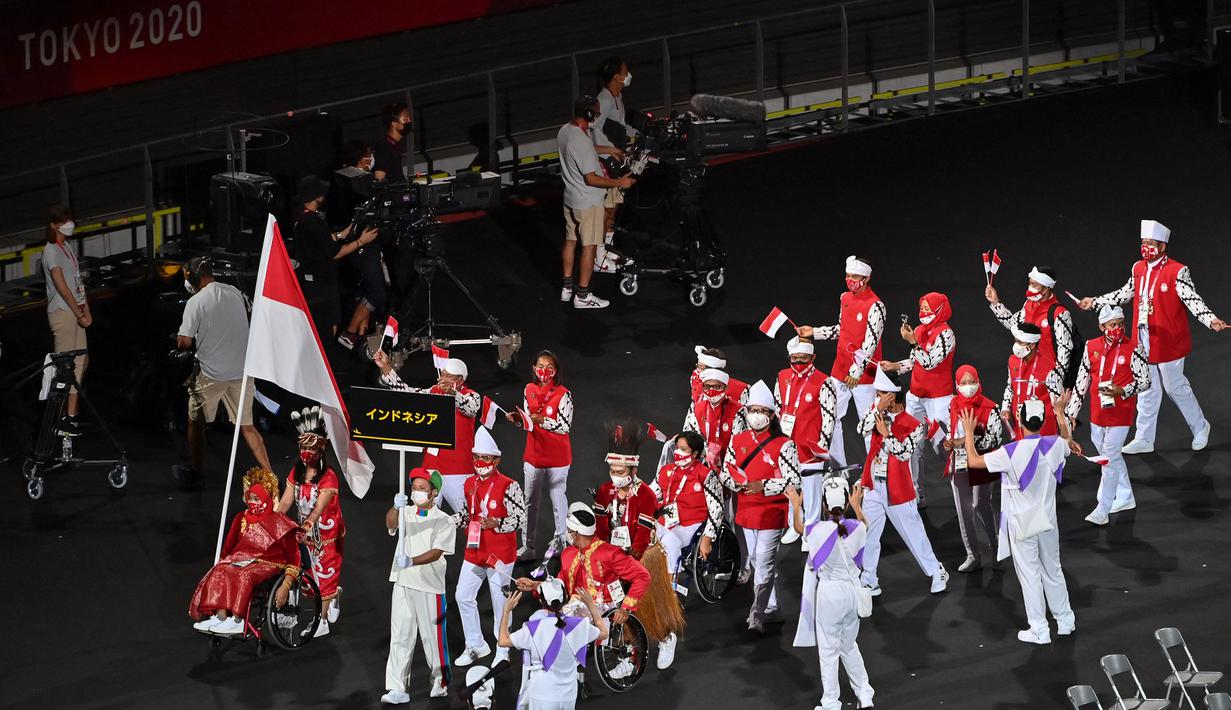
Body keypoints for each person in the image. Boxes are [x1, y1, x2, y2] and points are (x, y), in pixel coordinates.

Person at [1076, 219, 1227, 453]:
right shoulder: (1138, 268)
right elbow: (1125, 293)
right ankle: (1145, 438)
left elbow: (1192, 299)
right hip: (1142, 337)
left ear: (1163, 246)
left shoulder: (1177, 271)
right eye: (1143, 242)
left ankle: (1200, 426)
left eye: (1150, 243)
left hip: (1168, 340)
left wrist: (1210, 319)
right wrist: (1095, 302)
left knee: (1175, 387)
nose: (1146, 247)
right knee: (1147, 389)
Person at [960, 395, 1079, 645]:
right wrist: (1059, 412)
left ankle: (1040, 629)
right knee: (1053, 570)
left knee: (1030, 575)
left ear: (1021, 422)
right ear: (1042, 420)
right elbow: (1068, 440)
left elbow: (973, 461)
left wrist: (969, 433)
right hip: (1048, 520)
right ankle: (1065, 620)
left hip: (1022, 523)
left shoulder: (1010, 452)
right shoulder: (1055, 444)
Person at [515, 503, 653, 681]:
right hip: (575, 604)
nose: (567, 534)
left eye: (569, 530)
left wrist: (626, 607)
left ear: (576, 533)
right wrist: (536, 585)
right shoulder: (568, 553)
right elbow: (561, 583)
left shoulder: (609, 554)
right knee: (545, 623)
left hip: (603, 605)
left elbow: (643, 576)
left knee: (561, 628)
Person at [176, 255, 273, 484]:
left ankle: (197, 471)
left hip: (211, 375)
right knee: (248, 427)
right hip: (242, 372)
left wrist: (179, 338)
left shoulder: (196, 302)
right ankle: (270, 475)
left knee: (196, 422)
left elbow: (185, 342)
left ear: (194, 279)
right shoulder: (234, 292)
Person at [856, 367, 948, 596]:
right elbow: (860, 429)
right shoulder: (876, 412)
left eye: (880, 395)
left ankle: (936, 571)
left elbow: (903, 453)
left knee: (913, 532)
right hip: (872, 485)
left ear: (892, 396)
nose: (876, 398)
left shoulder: (914, 424)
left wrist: (886, 434)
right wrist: (877, 409)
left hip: (897, 488)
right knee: (870, 534)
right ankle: (869, 579)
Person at [720, 381, 801, 632]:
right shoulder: (738, 440)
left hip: (772, 512)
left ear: (771, 415)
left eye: (762, 411)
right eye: (752, 410)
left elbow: (794, 479)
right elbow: (726, 473)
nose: (756, 416)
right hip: (746, 510)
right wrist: (735, 483)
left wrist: (763, 486)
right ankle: (774, 608)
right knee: (757, 560)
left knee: (764, 563)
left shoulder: (784, 445)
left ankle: (756, 615)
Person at [789, 477, 874, 710]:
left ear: (824, 506)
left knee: (828, 650)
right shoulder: (856, 528)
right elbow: (865, 524)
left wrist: (797, 505)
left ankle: (831, 703)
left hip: (829, 594)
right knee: (849, 645)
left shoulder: (818, 530)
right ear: (846, 502)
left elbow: (798, 528)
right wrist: (857, 505)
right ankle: (865, 695)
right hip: (851, 593)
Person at [1063, 305, 1151, 525]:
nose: (1118, 329)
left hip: (1121, 413)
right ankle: (1126, 496)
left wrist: (1123, 391)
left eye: (1120, 324)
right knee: (1108, 455)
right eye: (1112, 325)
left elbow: (1145, 381)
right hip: (1098, 413)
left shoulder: (1134, 347)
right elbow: (1082, 383)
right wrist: (1071, 414)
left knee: (1108, 459)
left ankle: (1102, 508)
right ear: (1102, 326)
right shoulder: (1091, 347)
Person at [189, 467, 300, 635]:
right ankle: (221, 618)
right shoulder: (241, 518)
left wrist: (286, 584)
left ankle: (238, 620)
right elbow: (229, 546)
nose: (253, 503)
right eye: (251, 498)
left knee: (243, 574)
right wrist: (223, 562)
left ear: (267, 499)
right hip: (244, 559)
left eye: (258, 499)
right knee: (220, 569)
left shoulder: (279, 522)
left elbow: (294, 556)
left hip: (270, 564)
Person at [796, 255, 886, 459]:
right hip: (840, 370)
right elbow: (842, 329)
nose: (850, 280)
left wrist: (857, 370)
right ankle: (838, 468)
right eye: (847, 275)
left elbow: (870, 342)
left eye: (855, 276)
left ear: (866, 278)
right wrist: (814, 332)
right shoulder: (844, 298)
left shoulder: (876, 305)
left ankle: (875, 472)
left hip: (864, 376)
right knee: (830, 417)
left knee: (869, 422)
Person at [374, 348, 481, 513]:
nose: (442, 378)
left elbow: (470, 409)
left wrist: (452, 393)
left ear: (460, 380)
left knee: (469, 516)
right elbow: (407, 394)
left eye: (448, 376)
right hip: (431, 468)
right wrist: (387, 367)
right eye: (442, 374)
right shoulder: (434, 391)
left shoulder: (471, 396)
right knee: (424, 516)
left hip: (459, 470)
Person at [382, 468, 456, 705]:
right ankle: (397, 687)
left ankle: (440, 681)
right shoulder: (406, 511)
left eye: (422, 489)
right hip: (403, 581)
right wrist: (396, 507)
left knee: (432, 637)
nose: (417, 492)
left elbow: (437, 552)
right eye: (414, 488)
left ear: (434, 492)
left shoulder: (445, 521)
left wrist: (412, 560)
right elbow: (390, 524)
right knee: (400, 636)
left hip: (429, 585)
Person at [453, 427, 526, 667]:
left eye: (484, 458)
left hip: (500, 553)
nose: (479, 462)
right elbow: (467, 514)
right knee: (462, 595)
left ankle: (502, 648)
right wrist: (447, 522)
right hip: (475, 550)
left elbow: (521, 517)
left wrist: (498, 522)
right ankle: (475, 644)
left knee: (499, 602)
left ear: (496, 460)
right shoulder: (469, 483)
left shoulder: (509, 485)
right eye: (476, 457)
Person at [557, 95, 635, 309]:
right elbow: (590, 178)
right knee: (589, 247)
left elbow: (585, 152)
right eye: (597, 113)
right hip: (587, 202)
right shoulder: (580, 140)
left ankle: (567, 288)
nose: (598, 117)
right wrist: (619, 181)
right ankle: (582, 295)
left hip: (570, 199)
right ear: (589, 114)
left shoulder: (565, 131)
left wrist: (609, 149)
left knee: (570, 241)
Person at [880, 292, 957, 507]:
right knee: (911, 445)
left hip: (939, 398)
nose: (923, 313)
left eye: (927, 308)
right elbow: (917, 361)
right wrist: (896, 366)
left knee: (943, 445)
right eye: (921, 308)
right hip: (916, 395)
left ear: (940, 309)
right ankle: (915, 493)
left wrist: (914, 342)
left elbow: (931, 362)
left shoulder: (946, 334)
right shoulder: (921, 330)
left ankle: (961, 486)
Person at [275, 406, 345, 636]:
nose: (306, 452)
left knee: (324, 575)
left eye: (311, 447)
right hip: (304, 534)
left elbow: (318, 508)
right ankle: (334, 596)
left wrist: (306, 525)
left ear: (321, 448)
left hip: (327, 534)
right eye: (303, 447)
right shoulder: (296, 471)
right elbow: (285, 502)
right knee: (307, 578)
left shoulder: (329, 477)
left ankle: (321, 621)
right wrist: (271, 519)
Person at [293, 175, 379, 342]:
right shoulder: (313, 222)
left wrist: (343, 234)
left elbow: (320, 241)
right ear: (316, 196)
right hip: (321, 283)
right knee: (328, 324)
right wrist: (361, 241)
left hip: (311, 280)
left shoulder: (302, 217)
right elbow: (335, 253)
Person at [498, 580, 607, 710]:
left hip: (542, 694)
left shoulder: (534, 628)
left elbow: (502, 641)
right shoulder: (580, 625)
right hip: (568, 695)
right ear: (565, 600)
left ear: (541, 602)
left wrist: (506, 611)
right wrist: (591, 605)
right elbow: (604, 633)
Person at [774, 335, 840, 544]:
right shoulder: (782, 376)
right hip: (787, 443)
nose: (799, 364)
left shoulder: (824, 381)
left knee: (811, 490)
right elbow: (777, 407)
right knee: (790, 488)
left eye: (804, 359)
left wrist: (823, 443)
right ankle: (795, 524)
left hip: (810, 446)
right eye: (795, 359)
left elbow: (830, 415)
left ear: (813, 357)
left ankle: (811, 530)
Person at [942, 365, 1006, 572]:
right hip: (959, 463)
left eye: (971, 382)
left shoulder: (990, 408)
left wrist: (965, 439)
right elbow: (952, 430)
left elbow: (995, 438)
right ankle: (973, 555)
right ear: (957, 384)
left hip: (982, 462)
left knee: (981, 505)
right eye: (963, 383)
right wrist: (950, 442)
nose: (968, 387)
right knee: (964, 511)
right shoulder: (953, 404)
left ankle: (996, 544)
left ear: (978, 382)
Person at [510, 351, 573, 561]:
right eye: (540, 366)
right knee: (530, 502)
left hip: (557, 456)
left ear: (555, 371)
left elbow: (565, 426)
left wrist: (541, 421)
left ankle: (562, 542)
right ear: (534, 368)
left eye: (549, 367)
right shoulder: (528, 389)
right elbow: (529, 421)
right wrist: (520, 420)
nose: (544, 371)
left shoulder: (564, 394)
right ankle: (528, 547)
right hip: (534, 454)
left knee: (558, 501)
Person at [41, 204, 90, 435]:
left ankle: (70, 417)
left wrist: (85, 308)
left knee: (81, 361)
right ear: (54, 225)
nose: (69, 224)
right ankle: (57, 418)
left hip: (75, 310)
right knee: (64, 366)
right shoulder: (51, 250)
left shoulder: (67, 247)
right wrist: (78, 311)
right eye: (64, 221)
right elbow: (60, 285)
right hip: (62, 312)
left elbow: (77, 282)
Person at [985, 265, 1075, 385]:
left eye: (1035, 284)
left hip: (1048, 379)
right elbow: (1012, 324)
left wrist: (1056, 378)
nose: (1030, 288)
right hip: (1026, 372)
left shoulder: (1060, 313)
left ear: (1046, 287)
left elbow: (1065, 350)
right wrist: (996, 302)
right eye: (1030, 283)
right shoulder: (1028, 304)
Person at [650, 431, 724, 577]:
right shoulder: (666, 471)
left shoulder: (706, 475)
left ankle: (672, 587)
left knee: (668, 543)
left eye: (683, 449)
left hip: (691, 524)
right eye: (677, 447)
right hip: (664, 520)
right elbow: (651, 494)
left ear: (695, 453)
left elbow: (717, 510)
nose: (677, 452)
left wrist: (707, 538)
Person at [592, 56, 637, 273]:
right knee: (607, 210)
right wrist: (610, 150)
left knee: (614, 208)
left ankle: (607, 248)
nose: (628, 74)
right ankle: (599, 257)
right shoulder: (605, 99)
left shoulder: (617, 98)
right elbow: (593, 129)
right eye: (625, 71)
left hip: (616, 160)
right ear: (617, 76)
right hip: (606, 163)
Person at [594, 421, 659, 559]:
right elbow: (600, 528)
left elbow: (643, 536)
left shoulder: (646, 495)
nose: (615, 476)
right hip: (610, 550)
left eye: (620, 472)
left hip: (637, 555)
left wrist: (629, 560)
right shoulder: (604, 491)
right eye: (612, 471)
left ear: (633, 470)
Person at [1001, 323, 1062, 438]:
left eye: (1020, 342)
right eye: (1015, 341)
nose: (1016, 345)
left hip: (1043, 429)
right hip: (1020, 424)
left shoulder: (1050, 368)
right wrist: (1005, 407)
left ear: (1032, 345)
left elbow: (1058, 404)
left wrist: (1066, 435)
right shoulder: (1012, 361)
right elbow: (1010, 387)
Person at [683, 368, 748, 470]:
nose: (712, 391)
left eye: (717, 387)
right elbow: (693, 438)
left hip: (731, 463)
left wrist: (724, 471)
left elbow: (738, 444)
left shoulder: (738, 411)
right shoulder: (698, 408)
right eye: (707, 387)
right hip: (705, 460)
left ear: (726, 388)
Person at [373, 102, 412, 182]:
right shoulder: (384, 147)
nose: (409, 121)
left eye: (409, 118)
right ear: (394, 124)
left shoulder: (393, 144)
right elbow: (379, 180)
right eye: (405, 119)